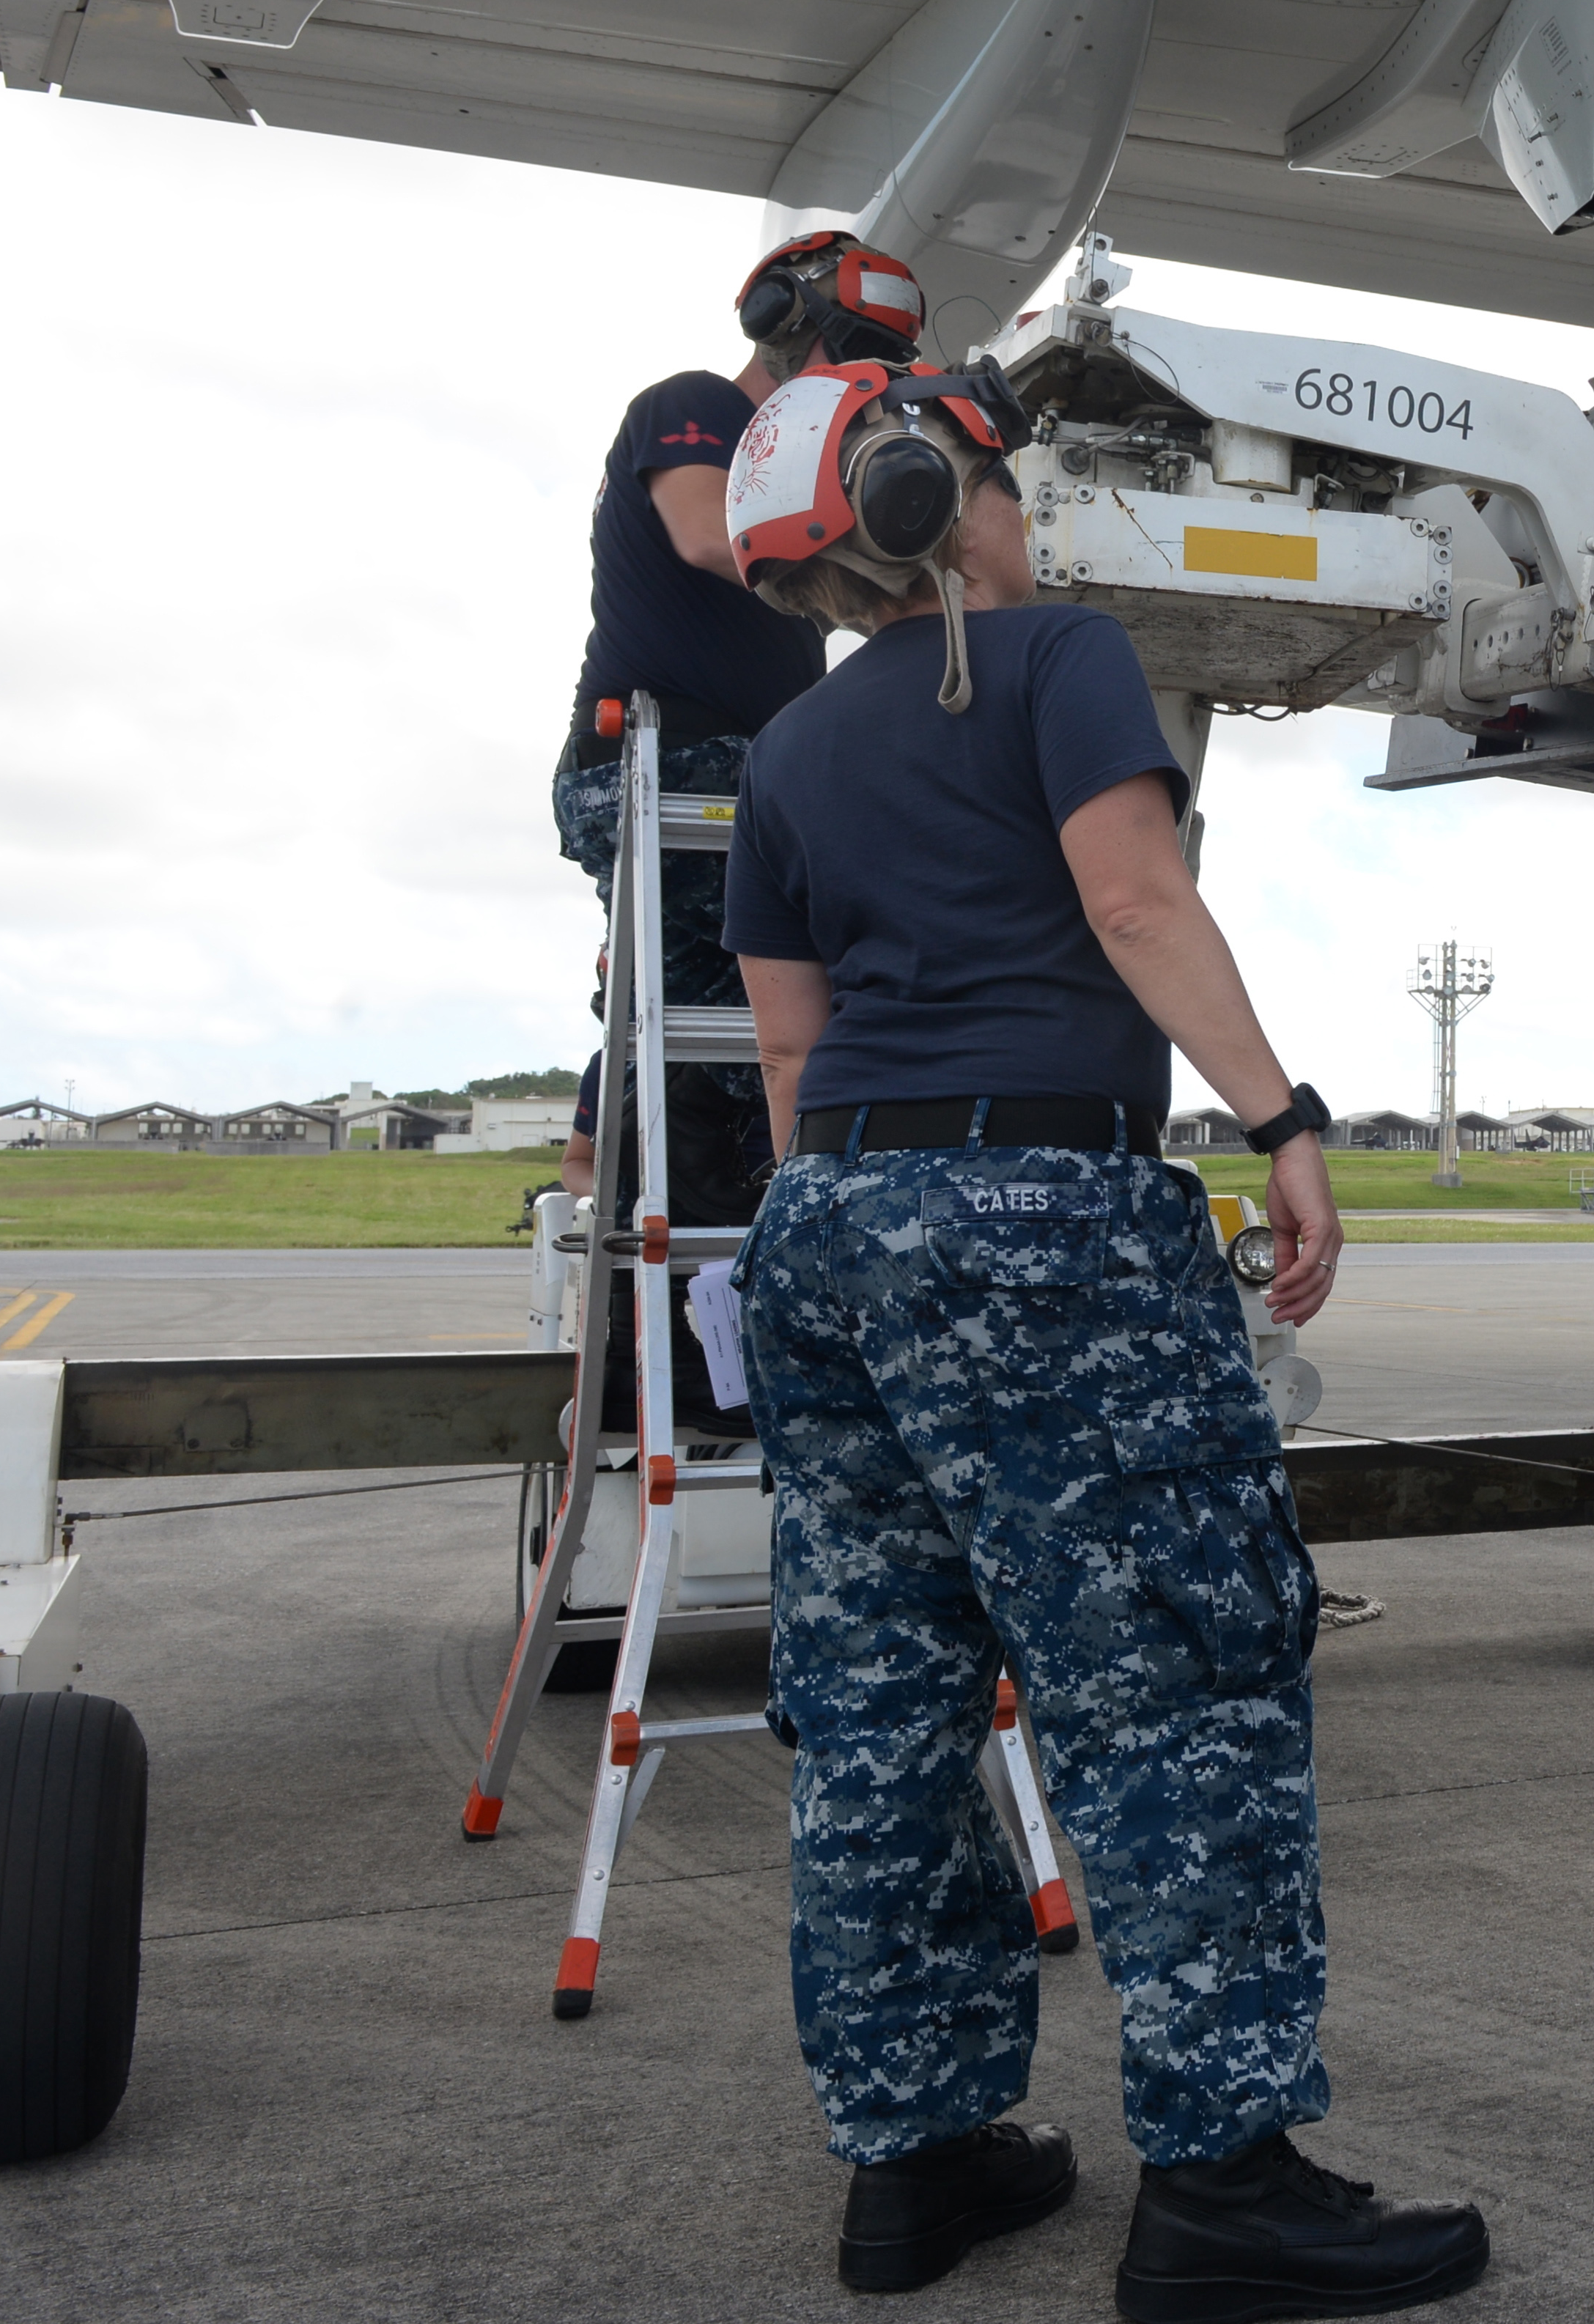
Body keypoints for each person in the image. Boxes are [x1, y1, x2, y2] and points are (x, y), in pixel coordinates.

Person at [715, 358, 1483, 2316]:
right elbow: (1136, 903)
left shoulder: (787, 750)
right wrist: (1282, 1119)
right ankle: (1222, 2183)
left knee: (880, 1709)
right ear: (929, 494)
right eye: (1002, 475)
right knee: (1171, 1686)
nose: (1023, 508)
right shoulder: (1059, 658)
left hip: (829, 1227)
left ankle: (915, 2160)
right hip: (1045, 1210)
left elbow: (792, 1049)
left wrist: (865, 1246)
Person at [552, 234, 926, 1164]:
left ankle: (627, 1163)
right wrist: (887, 555)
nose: (866, 383)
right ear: (780, 329)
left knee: (713, 986)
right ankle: (676, 1172)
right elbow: (706, 535)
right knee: (750, 994)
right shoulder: (697, 406)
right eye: (858, 351)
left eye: (888, 365)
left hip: (750, 768)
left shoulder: (806, 489)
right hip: (665, 758)